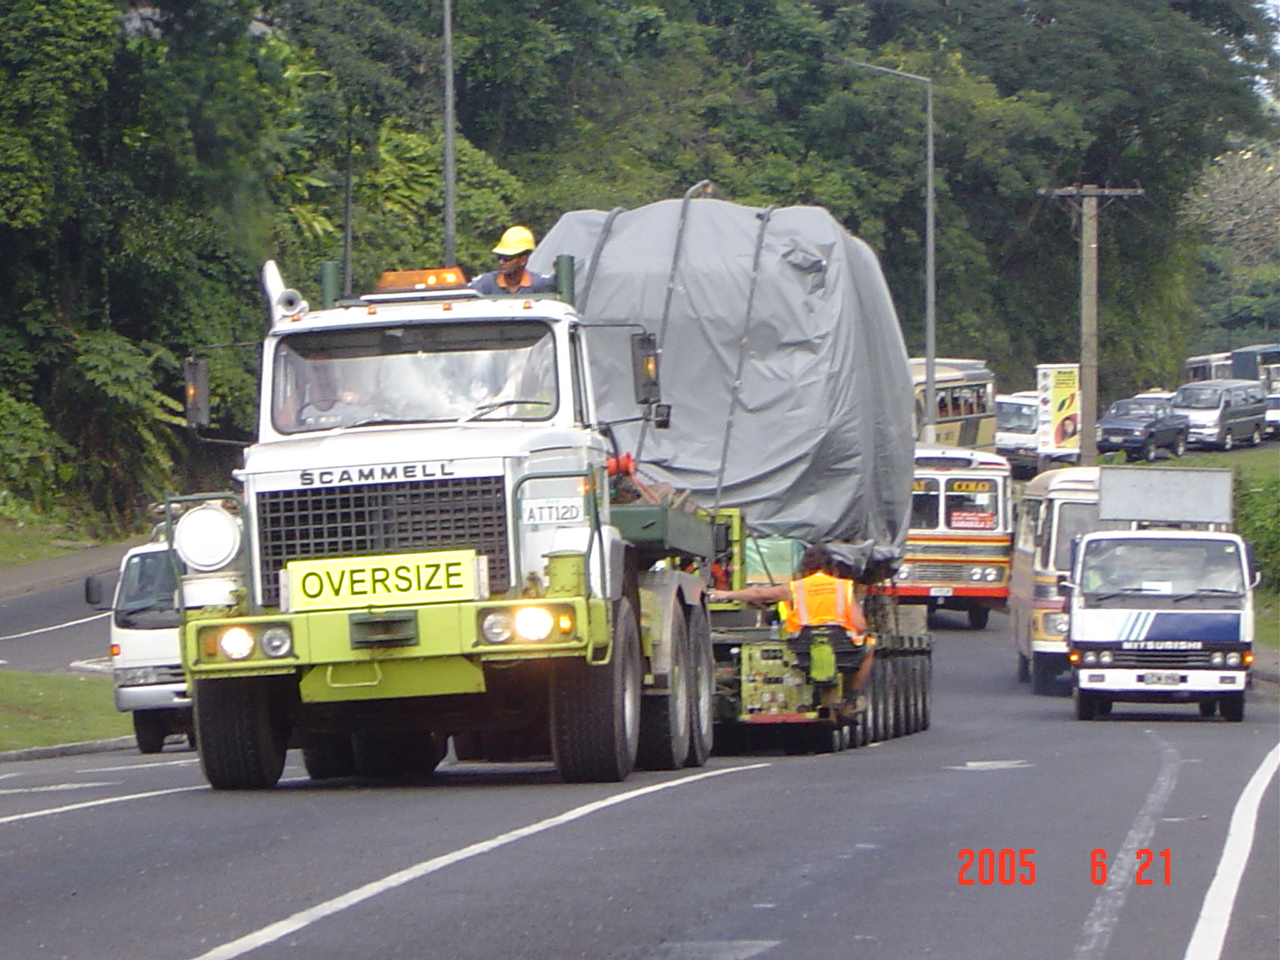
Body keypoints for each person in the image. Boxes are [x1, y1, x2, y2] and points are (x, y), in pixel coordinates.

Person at [708, 544, 874, 710]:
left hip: (803, 653)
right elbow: (860, 626)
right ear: (831, 567)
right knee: (870, 648)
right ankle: (852, 699)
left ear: (805, 567)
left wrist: (726, 594)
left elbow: (759, 594)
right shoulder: (843, 587)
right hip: (842, 651)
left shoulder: (796, 587)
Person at [469, 226, 557, 295]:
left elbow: (558, 284)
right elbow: (464, 291)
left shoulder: (539, 284)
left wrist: (559, 271)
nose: (501, 262)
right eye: (499, 257)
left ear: (523, 260)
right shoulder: (486, 283)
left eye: (507, 258)